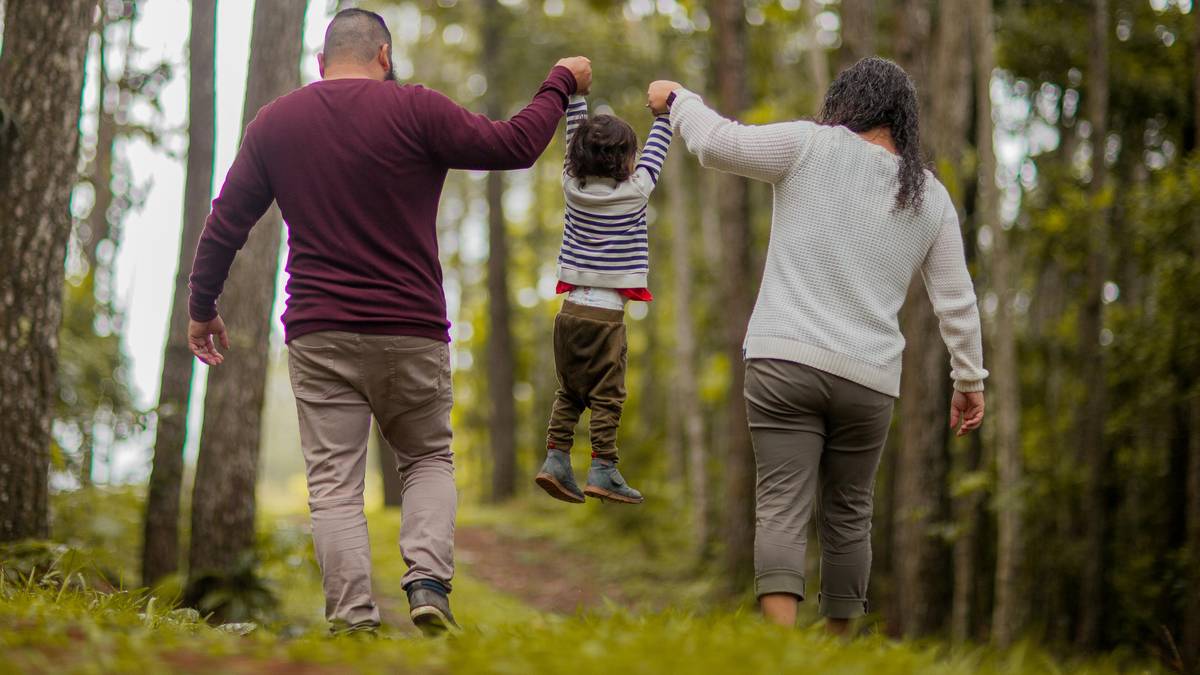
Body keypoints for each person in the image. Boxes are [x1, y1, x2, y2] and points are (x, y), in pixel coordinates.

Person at [186, 8, 592, 636]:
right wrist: (560, 82)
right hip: (410, 327)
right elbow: (514, 145)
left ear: (322, 64)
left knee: (334, 486)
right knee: (427, 456)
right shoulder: (416, 108)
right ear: (384, 55)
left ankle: (352, 621)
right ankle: (429, 583)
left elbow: (226, 222)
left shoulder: (277, 122)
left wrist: (202, 307)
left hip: (319, 331)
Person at [646, 57, 987, 635]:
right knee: (850, 516)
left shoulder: (809, 145)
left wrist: (679, 98)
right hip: (869, 380)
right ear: (904, 119)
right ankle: (835, 652)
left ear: (846, 103)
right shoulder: (930, 197)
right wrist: (969, 380)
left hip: (784, 362)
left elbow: (716, 144)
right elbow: (957, 301)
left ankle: (781, 652)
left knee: (782, 503)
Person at [533, 91, 673, 506]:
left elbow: (572, 135)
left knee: (570, 392)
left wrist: (576, 96)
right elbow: (658, 150)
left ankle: (556, 458)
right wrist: (664, 114)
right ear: (626, 161)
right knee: (607, 396)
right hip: (606, 317)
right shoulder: (636, 191)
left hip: (570, 312)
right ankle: (603, 467)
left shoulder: (570, 187)